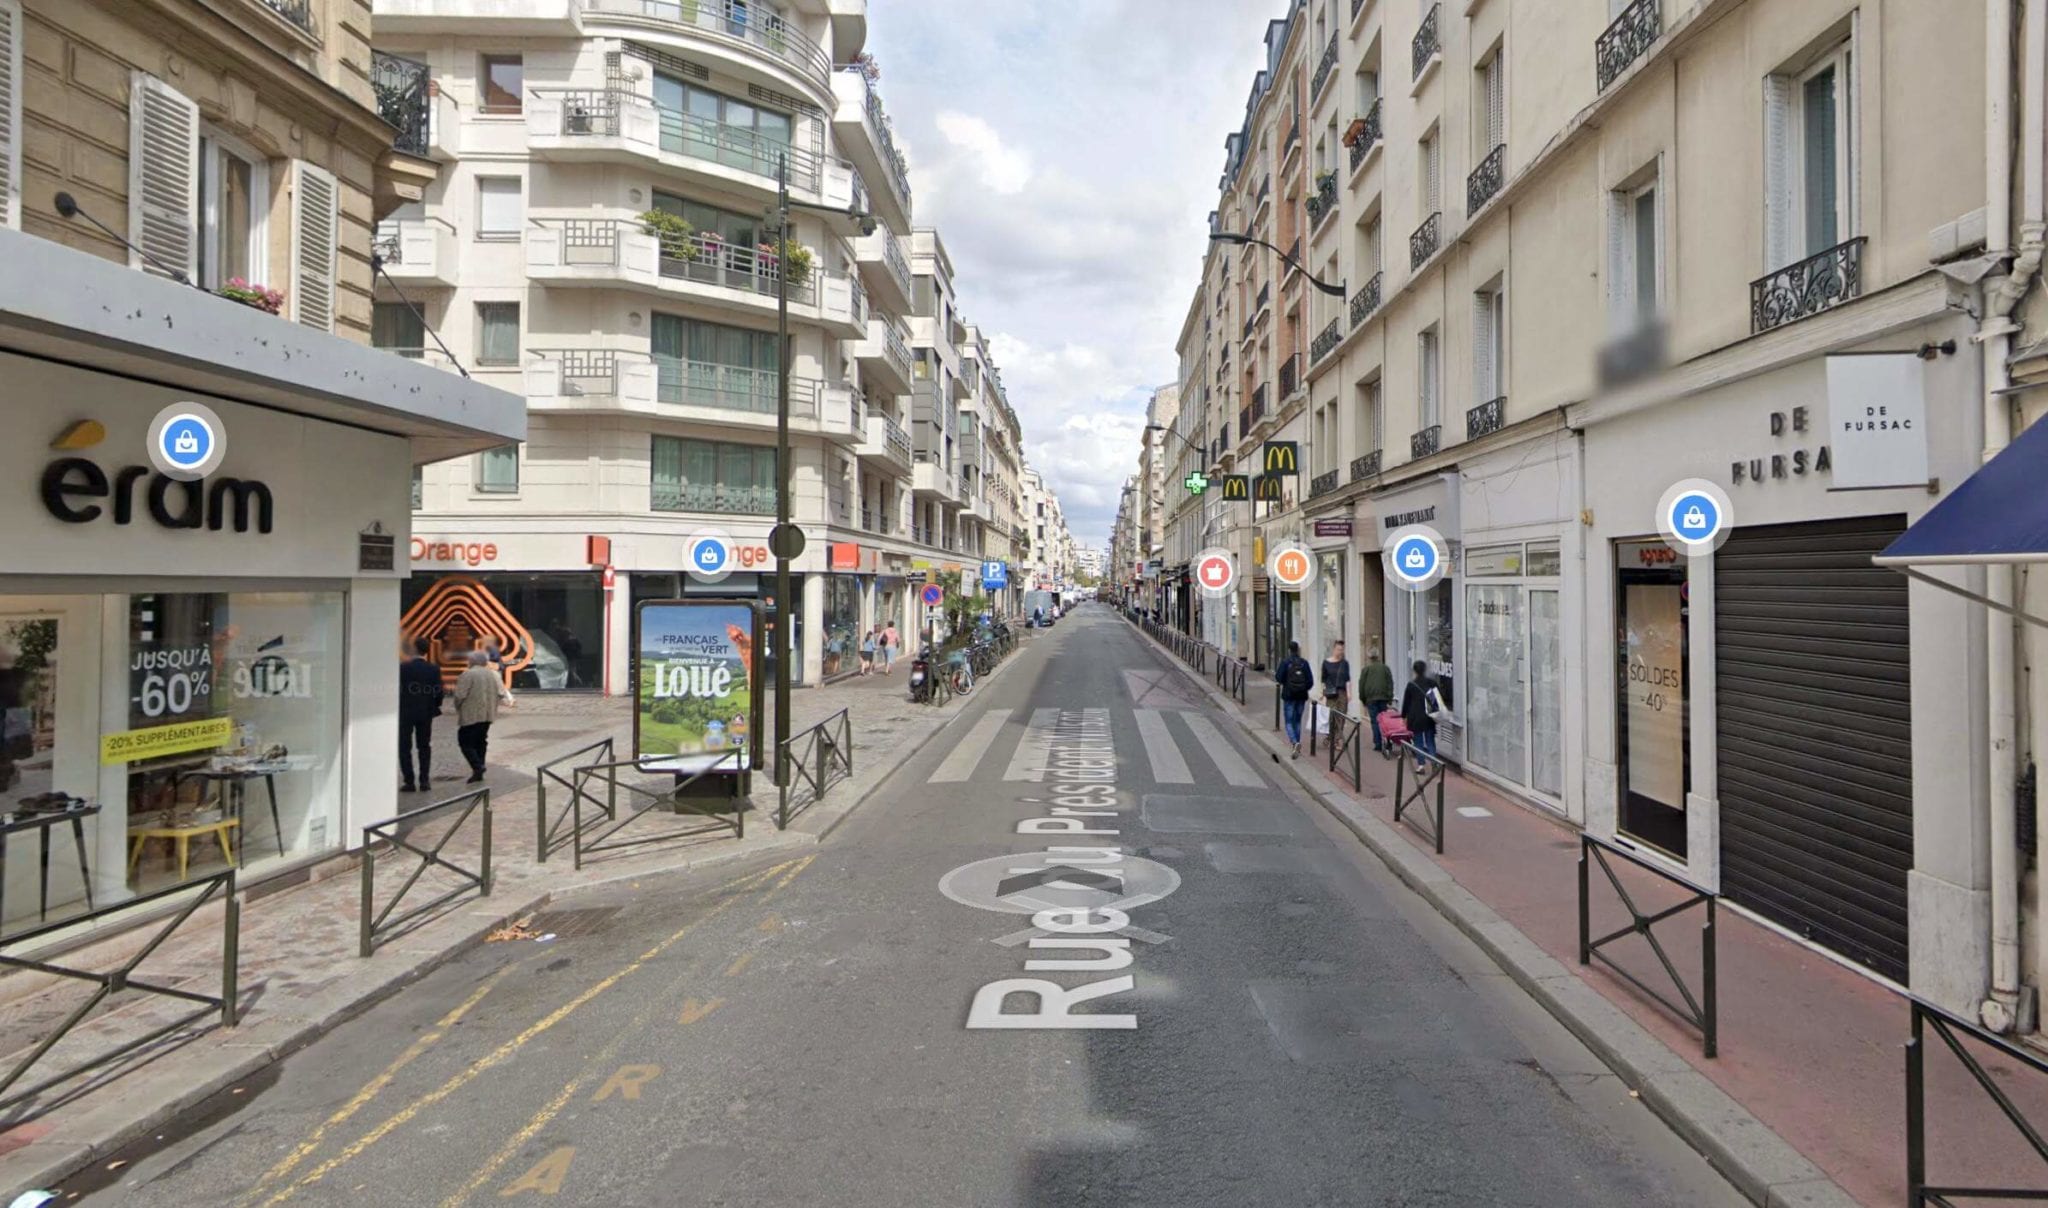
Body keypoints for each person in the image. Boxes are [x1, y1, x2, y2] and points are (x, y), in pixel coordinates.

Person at [452, 650, 511, 784]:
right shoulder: (493, 674)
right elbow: (501, 693)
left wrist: (458, 708)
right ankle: (479, 769)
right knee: (481, 741)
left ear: (472, 661)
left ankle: (478, 766)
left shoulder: (468, 674)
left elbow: (460, 695)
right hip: (487, 714)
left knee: (465, 742)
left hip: (471, 715)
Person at [397, 637, 444, 792]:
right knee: (424, 746)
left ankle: (409, 781)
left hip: (405, 712)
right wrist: (434, 705)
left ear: (414, 649)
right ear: (427, 651)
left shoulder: (403, 668)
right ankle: (424, 780)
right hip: (425, 713)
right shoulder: (433, 669)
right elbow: (439, 691)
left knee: (404, 747)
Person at [1399, 659, 1445, 775]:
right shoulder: (1432, 683)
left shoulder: (1411, 685)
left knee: (1418, 741)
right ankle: (1434, 762)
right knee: (1430, 740)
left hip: (1415, 717)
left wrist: (1403, 716)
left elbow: (1406, 702)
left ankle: (1421, 765)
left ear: (1414, 671)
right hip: (1429, 716)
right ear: (1425, 670)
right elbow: (1438, 698)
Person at [1274, 640, 1315, 759]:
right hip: (1301, 696)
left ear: (1289, 650)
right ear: (1298, 650)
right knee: (1297, 721)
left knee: (1288, 721)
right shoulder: (1304, 663)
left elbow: (1278, 677)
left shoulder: (1286, 662)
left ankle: (1294, 742)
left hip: (1289, 696)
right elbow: (1310, 681)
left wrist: (1288, 685)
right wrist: (1302, 688)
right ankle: (1296, 744)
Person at [1358, 644, 1396, 754]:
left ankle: (1378, 743)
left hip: (1371, 699)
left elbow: (1361, 685)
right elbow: (1390, 683)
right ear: (1378, 656)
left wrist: (1363, 699)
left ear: (1369, 656)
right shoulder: (1385, 668)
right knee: (1384, 721)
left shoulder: (1366, 669)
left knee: (1375, 721)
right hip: (1383, 698)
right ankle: (1387, 742)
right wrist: (1389, 698)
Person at [1320, 639, 1352, 717]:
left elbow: (1347, 679)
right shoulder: (1326, 663)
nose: (1340, 652)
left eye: (1341, 650)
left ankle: (1340, 726)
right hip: (1330, 692)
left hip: (1342, 693)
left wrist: (1349, 693)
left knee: (1341, 716)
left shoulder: (1344, 663)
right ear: (1334, 649)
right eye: (1338, 649)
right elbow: (1323, 680)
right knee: (1331, 716)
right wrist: (1322, 694)